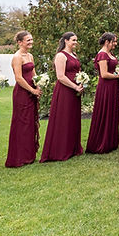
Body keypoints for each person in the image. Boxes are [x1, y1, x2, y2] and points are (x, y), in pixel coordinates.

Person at [41, 32, 84, 162]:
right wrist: (75, 86)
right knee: (63, 118)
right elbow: (60, 76)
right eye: (73, 40)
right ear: (65, 41)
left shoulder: (74, 55)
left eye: (76, 40)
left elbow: (77, 71)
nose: (75, 42)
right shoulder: (61, 56)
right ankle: (60, 150)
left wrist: (82, 80)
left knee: (73, 118)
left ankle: (72, 147)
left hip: (75, 90)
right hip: (65, 90)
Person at [6, 30, 41, 168]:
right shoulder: (17, 57)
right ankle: (19, 156)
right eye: (28, 40)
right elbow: (18, 78)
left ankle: (29, 155)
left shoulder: (30, 56)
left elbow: (34, 73)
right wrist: (32, 90)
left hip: (32, 90)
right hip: (22, 92)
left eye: (31, 39)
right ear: (20, 42)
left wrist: (38, 86)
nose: (31, 42)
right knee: (22, 123)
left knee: (30, 122)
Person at [86, 32, 119, 153]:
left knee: (112, 111)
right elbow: (104, 74)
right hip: (106, 87)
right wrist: (118, 76)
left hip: (113, 86)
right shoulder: (102, 55)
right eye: (114, 41)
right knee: (105, 111)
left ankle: (111, 141)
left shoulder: (110, 54)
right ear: (107, 42)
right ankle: (101, 142)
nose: (115, 44)